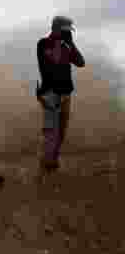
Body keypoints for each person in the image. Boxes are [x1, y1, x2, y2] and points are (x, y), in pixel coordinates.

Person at [35, 15, 86, 174]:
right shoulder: (43, 44)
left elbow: (81, 62)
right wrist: (60, 43)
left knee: (61, 133)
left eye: (69, 32)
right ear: (56, 29)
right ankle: (47, 166)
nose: (68, 34)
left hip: (66, 94)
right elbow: (54, 62)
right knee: (51, 133)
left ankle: (52, 163)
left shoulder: (66, 45)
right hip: (50, 95)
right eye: (65, 31)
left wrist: (71, 44)